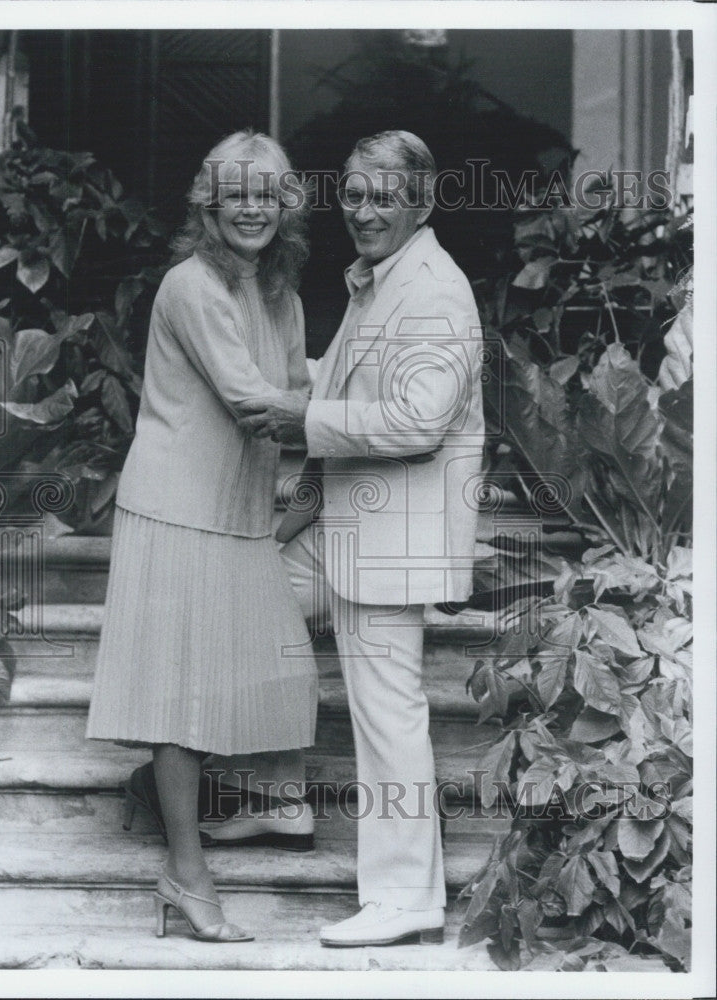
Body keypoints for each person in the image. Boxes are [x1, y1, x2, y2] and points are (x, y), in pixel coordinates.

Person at [223, 130, 486, 947]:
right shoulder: (379, 280)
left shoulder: (435, 289)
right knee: (245, 604)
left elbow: (417, 419)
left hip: (392, 534)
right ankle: (278, 793)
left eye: (383, 197)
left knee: (387, 714)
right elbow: (331, 381)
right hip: (342, 520)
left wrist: (301, 413)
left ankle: (408, 899)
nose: (364, 212)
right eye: (355, 194)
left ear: (421, 204)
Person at [85, 131, 318, 943]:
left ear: (286, 204)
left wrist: (326, 391)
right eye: (236, 194)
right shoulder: (189, 284)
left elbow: (291, 388)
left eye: (268, 194)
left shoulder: (281, 292)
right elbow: (255, 398)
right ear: (209, 205)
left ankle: (270, 806)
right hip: (175, 507)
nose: (252, 208)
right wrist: (367, 400)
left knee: (275, 671)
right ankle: (186, 876)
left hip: (240, 508)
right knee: (179, 703)